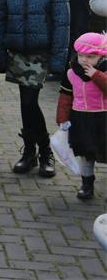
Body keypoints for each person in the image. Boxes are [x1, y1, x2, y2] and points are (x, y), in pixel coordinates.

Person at [0, 0, 70, 177]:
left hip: (41, 51)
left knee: (29, 101)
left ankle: (43, 151)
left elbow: (61, 22)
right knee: (26, 103)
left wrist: (59, 59)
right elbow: (0, 18)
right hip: (17, 51)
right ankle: (30, 152)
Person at [56, 32, 107, 200]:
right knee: (85, 153)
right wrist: (62, 119)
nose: (84, 60)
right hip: (81, 119)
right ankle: (87, 184)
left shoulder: (104, 70)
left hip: (103, 119)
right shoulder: (71, 72)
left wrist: (96, 75)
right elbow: (65, 96)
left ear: (101, 56)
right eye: (81, 55)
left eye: (90, 57)